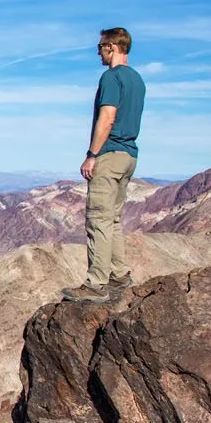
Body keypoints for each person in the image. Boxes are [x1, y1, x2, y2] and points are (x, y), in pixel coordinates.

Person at [62, 27, 146, 303]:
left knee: (98, 220)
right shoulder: (137, 80)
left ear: (111, 47)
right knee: (113, 219)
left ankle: (96, 284)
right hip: (129, 156)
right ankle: (119, 276)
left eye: (99, 47)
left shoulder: (111, 77)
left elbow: (107, 117)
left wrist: (91, 154)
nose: (98, 52)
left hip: (109, 155)